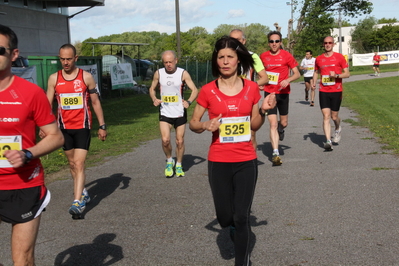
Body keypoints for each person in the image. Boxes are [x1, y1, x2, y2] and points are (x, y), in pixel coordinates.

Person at [189, 36, 276, 266]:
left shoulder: (251, 89)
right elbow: (193, 123)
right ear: (215, 61)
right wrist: (205, 125)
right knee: (225, 218)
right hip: (218, 160)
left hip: (246, 159)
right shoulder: (207, 91)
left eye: (230, 57)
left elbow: (254, 125)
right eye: (221, 57)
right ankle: (233, 229)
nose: (225, 61)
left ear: (238, 60)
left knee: (241, 216)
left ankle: (242, 261)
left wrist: (264, 110)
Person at [0, 24, 64, 266]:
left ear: (14, 54)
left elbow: (55, 136)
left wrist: (27, 153)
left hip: (23, 184)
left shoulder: (30, 93)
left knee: (23, 260)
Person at [46, 44, 107, 217]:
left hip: (82, 127)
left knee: (79, 163)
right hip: (64, 129)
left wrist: (102, 125)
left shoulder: (86, 77)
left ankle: (77, 201)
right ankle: (83, 192)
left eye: (69, 59)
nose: (65, 62)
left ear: (76, 58)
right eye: (62, 59)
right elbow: (46, 105)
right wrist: (45, 127)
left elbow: (95, 102)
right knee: (72, 164)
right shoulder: (54, 79)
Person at [149, 50, 198, 178]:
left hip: (179, 112)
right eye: (166, 62)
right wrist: (154, 98)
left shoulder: (183, 73)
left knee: (179, 141)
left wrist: (189, 101)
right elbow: (152, 88)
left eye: (171, 62)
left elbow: (194, 90)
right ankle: (170, 161)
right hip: (165, 111)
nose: (168, 64)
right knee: (165, 140)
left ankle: (179, 164)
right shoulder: (158, 73)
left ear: (176, 60)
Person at [260, 31, 300, 165]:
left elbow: (297, 74)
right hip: (269, 93)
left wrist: (288, 80)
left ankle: (281, 130)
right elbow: (260, 74)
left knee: (283, 123)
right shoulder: (263, 56)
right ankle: (275, 153)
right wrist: (261, 83)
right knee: (273, 123)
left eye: (277, 41)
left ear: (281, 42)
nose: (274, 44)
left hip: (283, 93)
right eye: (271, 41)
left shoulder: (286, 55)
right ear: (268, 43)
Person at [230, 29, 269, 150]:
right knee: (230, 135)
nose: (234, 43)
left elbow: (265, 78)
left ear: (244, 41)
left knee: (251, 133)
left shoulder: (252, 56)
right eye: (231, 40)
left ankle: (250, 162)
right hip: (230, 99)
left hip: (249, 99)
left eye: (238, 40)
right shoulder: (225, 58)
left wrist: (251, 86)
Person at [311, 36, 350, 151]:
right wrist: (314, 83)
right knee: (326, 116)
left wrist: (336, 76)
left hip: (336, 90)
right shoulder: (318, 59)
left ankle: (337, 128)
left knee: (334, 116)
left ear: (333, 44)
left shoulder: (339, 57)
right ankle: (328, 141)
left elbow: (347, 74)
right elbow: (316, 72)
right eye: (325, 43)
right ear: (323, 45)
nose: (327, 44)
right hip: (323, 91)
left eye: (330, 43)